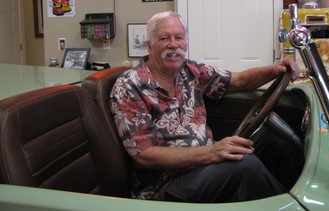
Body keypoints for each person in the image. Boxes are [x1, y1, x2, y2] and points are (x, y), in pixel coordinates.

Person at [110, 11, 303, 202]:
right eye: (164, 38)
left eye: (179, 37)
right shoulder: (130, 85)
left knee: (275, 141)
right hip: (165, 185)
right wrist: (211, 152)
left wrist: (274, 70)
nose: (173, 44)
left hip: (203, 163)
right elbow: (145, 155)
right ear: (150, 46)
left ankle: (299, 198)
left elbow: (238, 80)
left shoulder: (189, 71)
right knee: (245, 165)